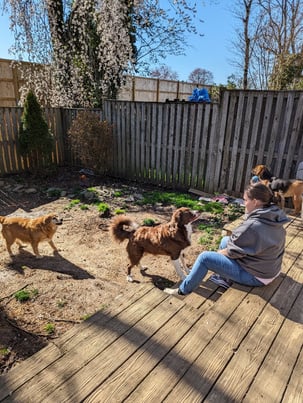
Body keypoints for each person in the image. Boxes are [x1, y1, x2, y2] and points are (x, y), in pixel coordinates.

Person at [164, 183, 289, 297]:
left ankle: (182, 291)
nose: (243, 203)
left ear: (255, 202)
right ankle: (224, 278)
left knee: (204, 258)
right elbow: (245, 242)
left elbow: (232, 251)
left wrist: (217, 255)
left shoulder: (252, 225)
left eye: (245, 200)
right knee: (225, 240)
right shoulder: (273, 215)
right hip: (269, 267)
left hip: (257, 277)